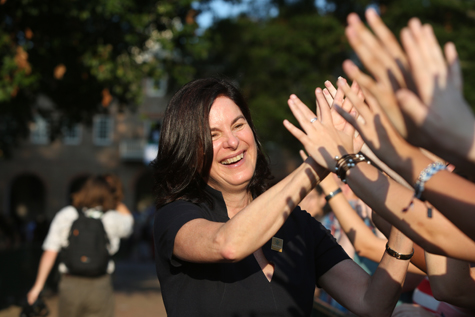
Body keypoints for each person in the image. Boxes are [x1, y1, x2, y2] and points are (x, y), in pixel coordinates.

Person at [152, 77, 413, 317]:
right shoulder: (176, 216)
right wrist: (323, 161)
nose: (232, 142)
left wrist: (406, 223)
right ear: (187, 149)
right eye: (213, 135)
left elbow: (373, 303)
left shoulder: (297, 224)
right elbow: (228, 244)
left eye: (238, 125)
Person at [27, 175, 133, 317]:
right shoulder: (112, 218)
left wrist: (38, 286)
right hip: (100, 284)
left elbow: (50, 251)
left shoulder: (66, 215)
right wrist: (116, 198)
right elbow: (129, 223)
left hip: (70, 283)